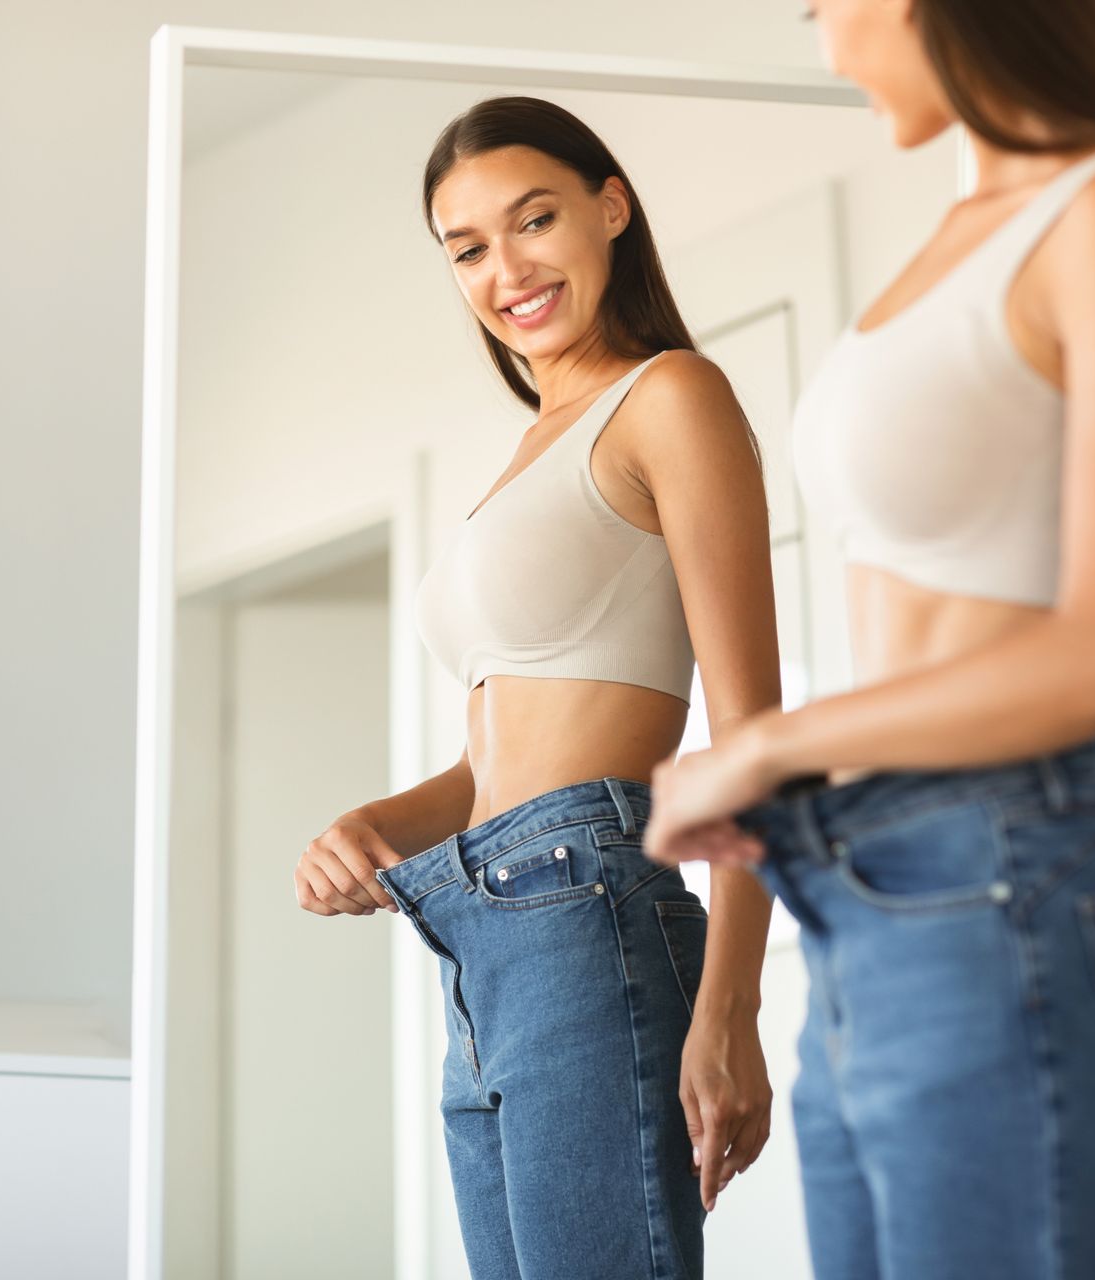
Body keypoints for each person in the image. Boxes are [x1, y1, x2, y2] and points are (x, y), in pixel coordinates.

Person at [641, 2, 1095, 1277]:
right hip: (864, 900)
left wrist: (765, 745)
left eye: (822, 6)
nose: (824, 45)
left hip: (1004, 884)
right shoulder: (953, 236)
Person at [293, 96, 782, 1279]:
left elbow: (753, 731)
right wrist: (376, 824)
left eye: (534, 220)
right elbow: (499, 758)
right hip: (480, 930)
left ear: (611, 208)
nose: (505, 269)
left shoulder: (670, 396)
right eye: (466, 248)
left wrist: (733, 1007)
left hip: (586, 905)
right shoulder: (529, 449)